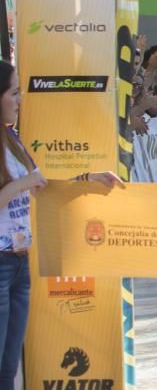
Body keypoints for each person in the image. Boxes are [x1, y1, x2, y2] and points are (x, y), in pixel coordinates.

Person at [0, 61, 124, 389]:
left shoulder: (13, 140)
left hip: (21, 263)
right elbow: (27, 185)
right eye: (13, 93)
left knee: (9, 365)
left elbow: (42, 188)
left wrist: (88, 179)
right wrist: (23, 183)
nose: (19, 100)